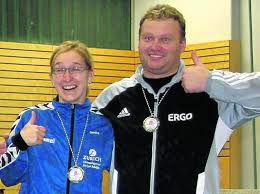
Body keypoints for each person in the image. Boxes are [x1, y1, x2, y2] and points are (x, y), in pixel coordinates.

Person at [91, 4, 260, 194]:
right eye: (148, 38)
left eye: (165, 39)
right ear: (139, 42)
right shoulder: (112, 98)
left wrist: (212, 82)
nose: (155, 46)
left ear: (182, 44)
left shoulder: (211, 98)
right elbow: (76, 142)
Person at [0, 40, 114, 194]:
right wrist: (21, 143)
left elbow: (127, 174)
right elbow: (8, 178)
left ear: (90, 75)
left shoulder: (105, 125)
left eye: (76, 68)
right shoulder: (31, 117)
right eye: (59, 70)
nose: (67, 77)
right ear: (52, 78)